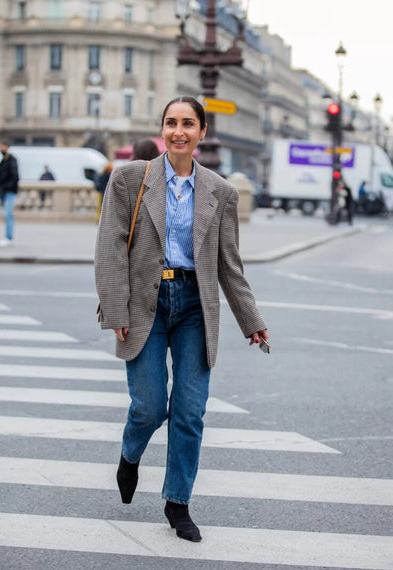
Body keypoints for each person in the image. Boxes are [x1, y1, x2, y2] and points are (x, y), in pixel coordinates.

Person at [95, 96, 268, 543]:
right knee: (150, 407)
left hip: (194, 305)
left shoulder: (221, 192)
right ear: (162, 130)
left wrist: (251, 319)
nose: (178, 131)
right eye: (171, 123)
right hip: (145, 304)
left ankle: (178, 503)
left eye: (188, 124)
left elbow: (229, 263)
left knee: (190, 411)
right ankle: (130, 455)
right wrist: (114, 307)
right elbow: (110, 247)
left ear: (202, 132)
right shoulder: (131, 179)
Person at [0, 141, 19, 246]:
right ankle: (7, 236)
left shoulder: (12, 161)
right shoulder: (2, 161)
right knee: (6, 214)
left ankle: (9, 237)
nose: (1, 149)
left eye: (2, 147)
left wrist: (5, 187)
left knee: (8, 214)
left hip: (9, 191)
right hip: (3, 191)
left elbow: (14, 177)